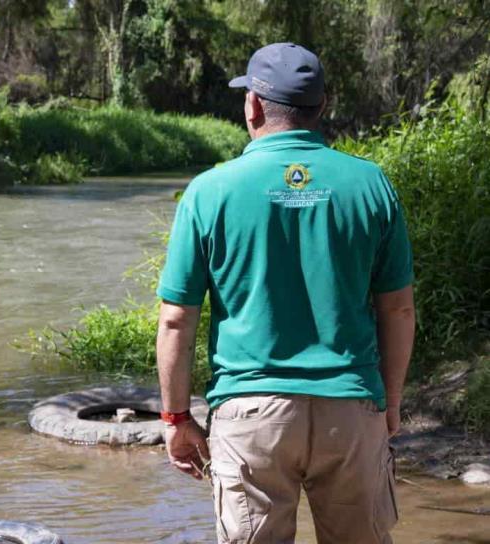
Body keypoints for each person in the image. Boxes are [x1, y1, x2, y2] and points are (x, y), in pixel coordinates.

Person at [154, 43, 415, 544]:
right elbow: (398, 308)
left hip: (250, 416)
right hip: (352, 409)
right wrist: (391, 403)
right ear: (322, 106)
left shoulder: (210, 190)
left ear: (252, 105)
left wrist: (177, 417)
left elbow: (175, 319)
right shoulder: (372, 185)